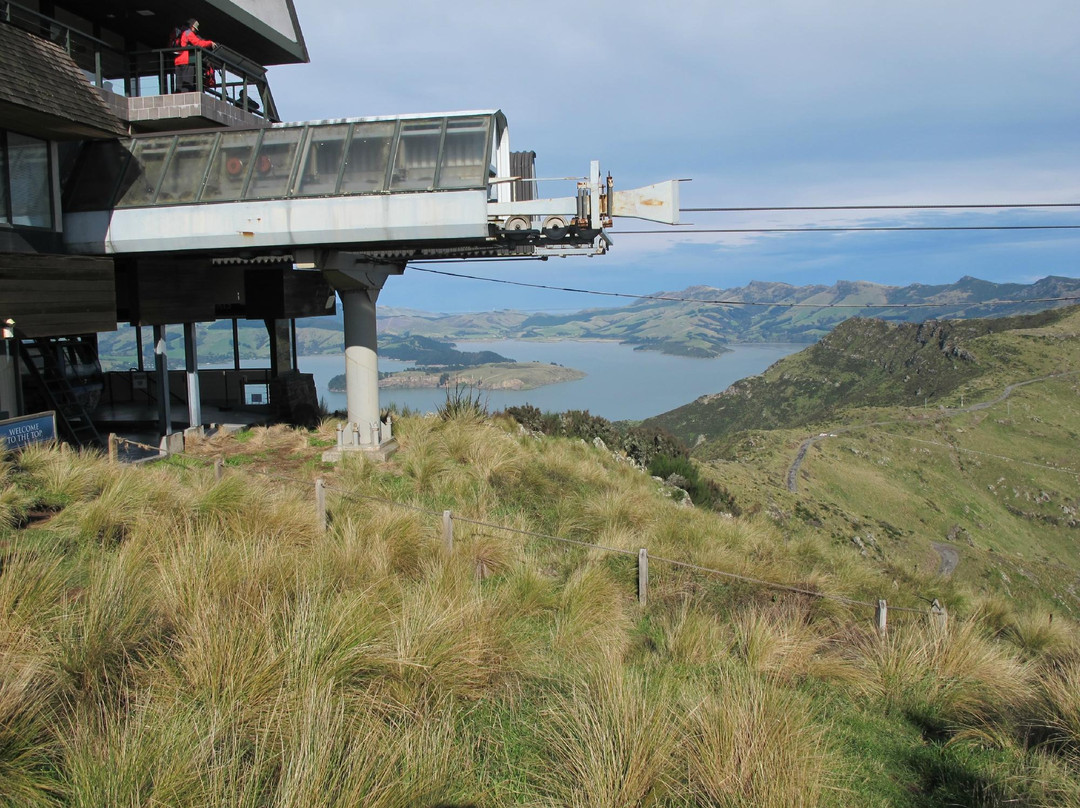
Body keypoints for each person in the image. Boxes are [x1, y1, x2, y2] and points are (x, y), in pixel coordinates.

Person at [174, 18, 217, 93]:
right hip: (186, 60)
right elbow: (198, 43)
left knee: (179, 84)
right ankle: (187, 100)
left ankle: (178, 99)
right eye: (195, 28)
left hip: (178, 60)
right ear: (191, 26)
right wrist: (210, 43)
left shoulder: (178, 32)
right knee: (187, 83)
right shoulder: (188, 33)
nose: (195, 31)